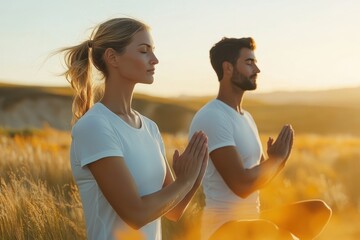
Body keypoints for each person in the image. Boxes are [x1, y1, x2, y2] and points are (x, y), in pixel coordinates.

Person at [59, 17, 208, 240]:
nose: (155, 59)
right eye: (144, 51)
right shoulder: (95, 126)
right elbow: (135, 214)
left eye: (153, 51)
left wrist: (195, 173)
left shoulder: (150, 128)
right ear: (112, 57)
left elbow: (174, 211)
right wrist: (184, 181)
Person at [189, 37, 332, 240]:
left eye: (255, 62)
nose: (257, 69)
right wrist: (274, 160)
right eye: (249, 62)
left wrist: (278, 162)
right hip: (222, 229)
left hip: (253, 221)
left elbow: (258, 180)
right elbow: (241, 185)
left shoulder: (246, 117)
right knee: (277, 234)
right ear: (228, 68)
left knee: (318, 210)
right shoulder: (212, 116)